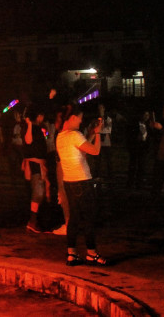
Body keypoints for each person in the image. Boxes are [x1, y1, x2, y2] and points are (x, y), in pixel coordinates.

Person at [56, 106, 107, 266]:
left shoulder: (61, 136)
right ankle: (91, 253)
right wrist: (98, 133)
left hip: (69, 182)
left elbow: (81, 151)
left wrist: (90, 135)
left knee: (74, 218)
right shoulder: (75, 135)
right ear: (72, 118)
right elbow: (95, 151)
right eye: (79, 117)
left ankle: (72, 253)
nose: (81, 120)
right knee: (89, 217)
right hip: (83, 181)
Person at [22, 107, 47, 233]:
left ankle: (34, 220)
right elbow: (28, 140)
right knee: (37, 192)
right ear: (38, 116)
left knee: (39, 192)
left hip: (38, 164)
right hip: (34, 165)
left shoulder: (39, 129)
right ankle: (32, 221)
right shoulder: (30, 127)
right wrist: (30, 125)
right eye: (41, 116)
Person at [126, 111, 150, 189]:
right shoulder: (134, 125)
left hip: (143, 148)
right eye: (145, 114)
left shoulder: (148, 125)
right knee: (133, 165)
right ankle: (131, 182)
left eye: (147, 115)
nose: (146, 117)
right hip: (135, 147)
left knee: (142, 166)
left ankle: (139, 183)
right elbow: (129, 135)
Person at [92, 104, 114, 180]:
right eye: (99, 108)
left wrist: (101, 129)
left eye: (101, 108)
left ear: (104, 109)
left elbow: (108, 129)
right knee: (98, 159)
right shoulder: (96, 119)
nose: (100, 109)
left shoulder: (108, 118)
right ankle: (98, 175)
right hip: (98, 141)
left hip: (106, 141)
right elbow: (95, 128)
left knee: (108, 159)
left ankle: (109, 175)